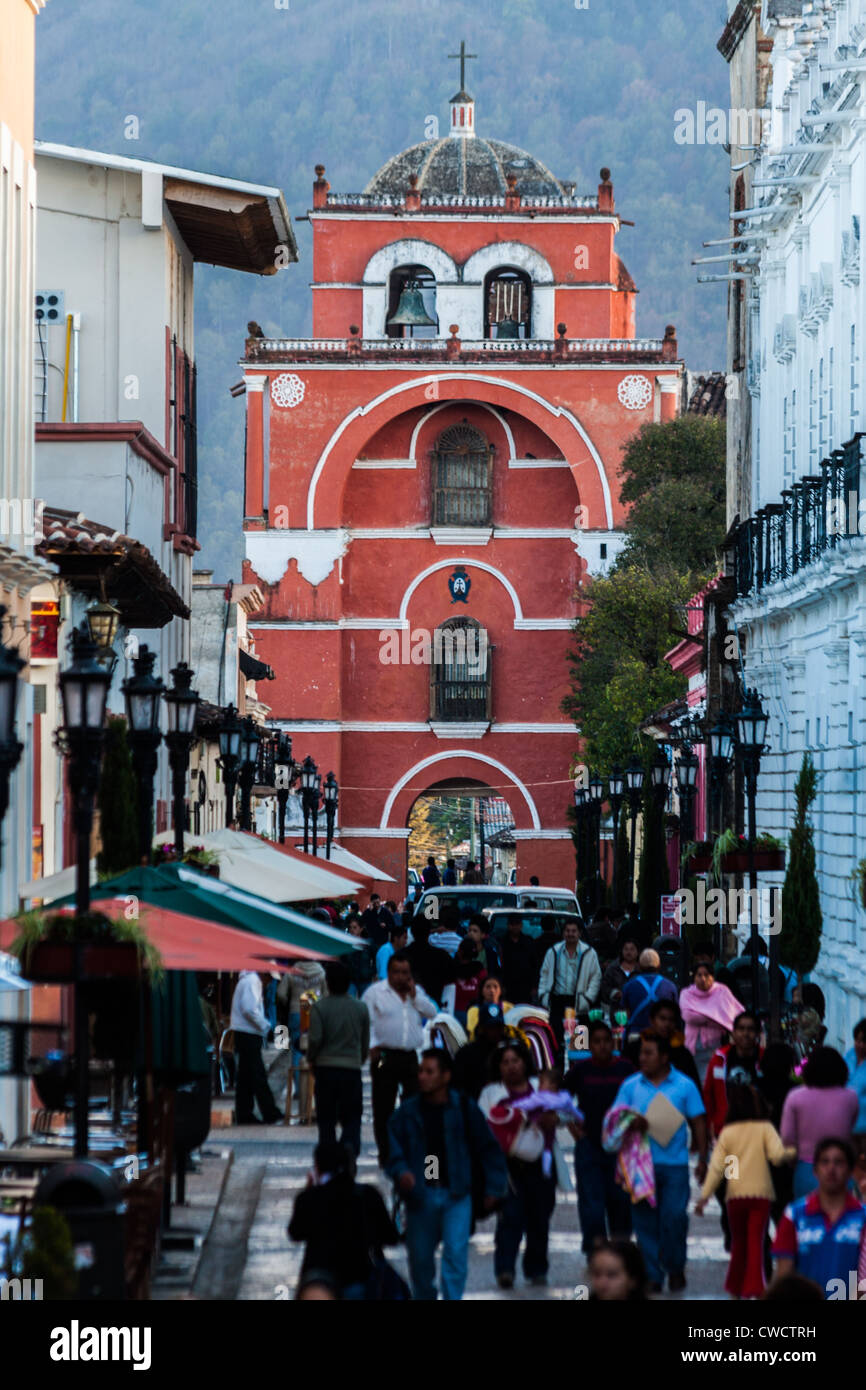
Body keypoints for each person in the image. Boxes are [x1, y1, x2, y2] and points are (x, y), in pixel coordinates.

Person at [387, 1048, 508, 1301]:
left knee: (455, 1253)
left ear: (445, 1076)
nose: (422, 1077)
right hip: (422, 1194)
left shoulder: (464, 1108)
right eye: (421, 1071)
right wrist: (401, 1172)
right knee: (420, 1260)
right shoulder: (407, 1112)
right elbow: (391, 1147)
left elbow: (488, 1147)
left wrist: (494, 1187)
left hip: (456, 1193)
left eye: (429, 1071)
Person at [607, 1030, 708, 1293]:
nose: (643, 1058)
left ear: (664, 1057)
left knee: (674, 1218)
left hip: (674, 1165)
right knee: (644, 1223)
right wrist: (632, 1121)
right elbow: (616, 1118)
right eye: (641, 1053)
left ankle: (675, 1267)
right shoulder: (630, 1086)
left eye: (649, 1053)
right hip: (640, 1166)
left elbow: (698, 1119)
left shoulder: (684, 1085)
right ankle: (652, 1274)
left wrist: (702, 1158)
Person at [695, 1084, 796, 1299]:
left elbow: (719, 1168)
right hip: (760, 1195)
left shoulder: (728, 1133)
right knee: (756, 1245)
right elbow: (778, 1156)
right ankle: (756, 1290)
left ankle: (735, 1290)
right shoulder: (765, 1128)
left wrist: (704, 1197)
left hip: (735, 1196)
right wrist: (794, 1150)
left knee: (739, 1244)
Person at [480, 1043, 559, 1289]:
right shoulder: (491, 1093)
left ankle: (537, 1269)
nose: (512, 1066)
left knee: (540, 1217)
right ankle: (505, 1269)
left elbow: (567, 1111)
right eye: (506, 1062)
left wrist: (553, 1118)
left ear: (525, 1062)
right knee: (510, 1217)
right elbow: (483, 1127)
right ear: (498, 1067)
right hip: (508, 1166)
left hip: (541, 1165)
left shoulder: (541, 1088)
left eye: (516, 1060)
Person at [288, 1140, 399, 1300]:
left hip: (319, 1281)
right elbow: (390, 1237)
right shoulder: (368, 1195)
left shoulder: (309, 1198)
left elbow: (295, 1233)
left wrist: (308, 1192)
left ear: (317, 1167)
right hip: (359, 1277)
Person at [564, 1019, 635, 1255]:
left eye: (606, 1041)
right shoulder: (580, 1071)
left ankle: (620, 1257)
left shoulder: (626, 1069)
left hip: (621, 1149)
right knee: (592, 1208)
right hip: (590, 1149)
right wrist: (574, 1130)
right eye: (597, 1042)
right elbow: (561, 1101)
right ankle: (595, 1255)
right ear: (590, 1045)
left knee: (621, 1206)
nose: (603, 1046)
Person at [363, 953, 438, 1166]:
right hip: (383, 1055)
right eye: (396, 972)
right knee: (383, 1106)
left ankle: (410, 1150)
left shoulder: (417, 993)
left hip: (410, 1055)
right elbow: (365, 1021)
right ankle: (386, 1154)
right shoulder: (375, 993)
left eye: (405, 973)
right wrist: (372, 1046)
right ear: (389, 973)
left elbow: (432, 1013)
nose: (400, 977)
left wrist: (415, 996)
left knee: (415, 1104)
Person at [771, 1137, 866, 1297]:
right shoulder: (794, 1215)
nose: (831, 1168)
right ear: (815, 1170)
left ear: (850, 1171)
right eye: (825, 1162)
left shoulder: (863, 1217)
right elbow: (784, 1275)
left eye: (839, 1162)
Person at [307, 960, 370, 1158]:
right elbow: (365, 1041)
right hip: (351, 1069)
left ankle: (328, 1160)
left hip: (325, 1069)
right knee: (352, 1119)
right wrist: (358, 1060)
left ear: (328, 982)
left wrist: (311, 1059)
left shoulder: (319, 1008)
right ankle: (350, 1152)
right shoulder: (360, 1008)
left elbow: (315, 1039)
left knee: (326, 1120)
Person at [780, 1046, 859, 1198]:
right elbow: (851, 1130)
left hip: (805, 1168)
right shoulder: (850, 1097)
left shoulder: (795, 1097)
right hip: (841, 1169)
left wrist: (793, 1162)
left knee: (808, 1218)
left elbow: (787, 1137)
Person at [537, 919, 601, 1048]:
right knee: (556, 1041)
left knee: (580, 1044)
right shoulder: (553, 952)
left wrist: (588, 999)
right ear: (563, 933)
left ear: (579, 933)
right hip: (557, 1002)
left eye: (573, 931)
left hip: (579, 1002)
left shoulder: (589, 953)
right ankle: (559, 1065)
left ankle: (579, 1065)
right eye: (567, 931)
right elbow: (544, 974)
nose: (570, 934)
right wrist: (543, 995)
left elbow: (596, 978)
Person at [230, 970, 282, 1125]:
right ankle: (269, 1112)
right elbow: (249, 1010)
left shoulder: (249, 981)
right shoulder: (253, 981)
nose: (270, 983)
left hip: (245, 1033)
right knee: (257, 1074)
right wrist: (266, 1026)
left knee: (246, 1077)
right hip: (248, 1034)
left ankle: (245, 1113)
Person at [702, 1010, 763, 1140]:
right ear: (733, 1032)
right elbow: (708, 1094)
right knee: (731, 1161)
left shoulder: (765, 1058)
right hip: (725, 1131)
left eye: (751, 1029)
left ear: (758, 1033)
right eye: (741, 1029)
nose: (745, 1034)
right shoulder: (719, 1058)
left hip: (756, 1133)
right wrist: (709, 1125)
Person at [679, 962, 743, 1082]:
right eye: (699, 975)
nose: (703, 978)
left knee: (714, 1080)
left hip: (716, 1046)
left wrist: (704, 1016)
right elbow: (688, 1016)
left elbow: (736, 1014)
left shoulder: (722, 991)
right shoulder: (686, 993)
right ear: (694, 977)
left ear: (712, 977)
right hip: (694, 1048)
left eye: (707, 975)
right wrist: (716, 1017)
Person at [452, 1001, 508, 1099]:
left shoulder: (512, 1050)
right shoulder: (466, 1054)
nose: (495, 1031)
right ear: (481, 1028)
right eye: (491, 1027)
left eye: (498, 1026)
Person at [621, 949, 678, 1035]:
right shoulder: (670, 986)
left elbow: (626, 1015)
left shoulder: (629, 985)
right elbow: (675, 1014)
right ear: (659, 965)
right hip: (662, 1036)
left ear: (639, 965)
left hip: (636, 1036)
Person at [645, 999, 700, 1087]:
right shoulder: (637, 1048)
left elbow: (693, 1086)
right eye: (662, 1018)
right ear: (652, 1020)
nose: (667, 1024)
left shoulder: (683, 1054)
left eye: (671, 1020)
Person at [404, 920, 456, 1007]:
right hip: (433, 1004)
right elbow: (451, 979)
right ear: (429, 932)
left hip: (407, 1004)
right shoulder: (441, 956)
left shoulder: (402, 955)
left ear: (412, 932)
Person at [499, 913, 539, 1005]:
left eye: (517, 924)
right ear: (508, 926)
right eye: (512, 924)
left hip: (526, 987)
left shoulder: (528, 942)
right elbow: (499, 967)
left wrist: (534, 986)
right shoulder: (502, 943)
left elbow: (535, 965)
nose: (515, 927)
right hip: (508, 987)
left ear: (521, 925)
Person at [450, 937, 487, 1024]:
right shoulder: (480, 970)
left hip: (455, 1013)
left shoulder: (451, 968)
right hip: (475, 1013)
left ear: (460, 951)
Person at [599, 938, 640, 1016]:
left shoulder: (641, 970)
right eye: (626, 949)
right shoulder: (613, 968)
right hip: (615, 1011)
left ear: (637, 952)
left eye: (632, 949)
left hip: (636, 1011)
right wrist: (615, 993)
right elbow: (604, 986)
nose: (629, 952)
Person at [844, 1018, 866, 1160]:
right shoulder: (849, 1056)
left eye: (864, 1041)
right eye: (857, 1040)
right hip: (847, 1123)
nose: (860, 1045)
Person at [465, 978, 513, 1043]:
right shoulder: (473, 1010)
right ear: (481, 991)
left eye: (495, 987)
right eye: (488, 987)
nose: (492, 990)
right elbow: (474, 1033)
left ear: (501, 990)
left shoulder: (510, 1007)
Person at [344, 915, 375, 998]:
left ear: (361, 929)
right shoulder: (347, 943)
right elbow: (343, 960)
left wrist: (371, 972)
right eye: (350, 928)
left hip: (365, 979)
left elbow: (376, 958)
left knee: (366, 1003)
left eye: (355, 927)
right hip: (351, 979)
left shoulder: (368, 943)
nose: (352, 930)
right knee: (350, 1002)